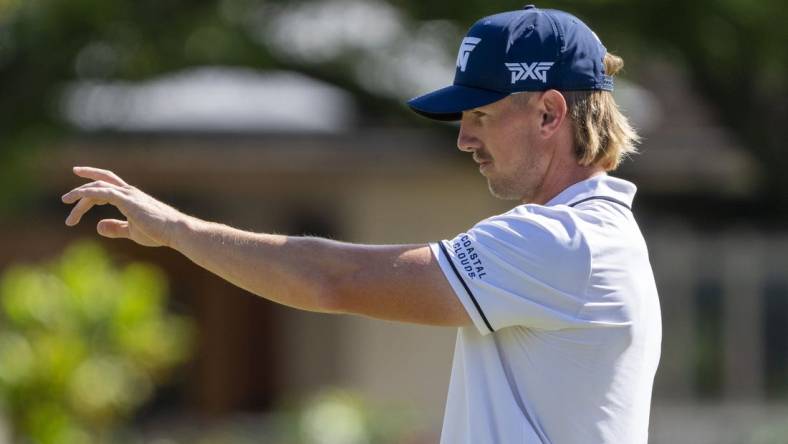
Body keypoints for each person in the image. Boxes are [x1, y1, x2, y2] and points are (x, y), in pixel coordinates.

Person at [62, 5, 661, 443]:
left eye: (480, 113)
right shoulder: (588, 236)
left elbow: (334, 279)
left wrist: (174, 228)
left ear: (550, 112)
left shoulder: (563, 242)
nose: (463, 138)